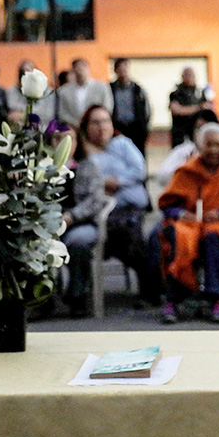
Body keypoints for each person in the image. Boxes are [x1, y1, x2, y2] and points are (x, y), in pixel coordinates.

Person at [158, 123, 219, 324]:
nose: (213, 150)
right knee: (179, 236)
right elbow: (167, 204)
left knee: (213, 237)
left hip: (218, 225)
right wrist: (181, 213)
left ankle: (215, 298)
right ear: (199, 146)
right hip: (189, 223)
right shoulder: (185, 171)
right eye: (209, 145)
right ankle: (174, 299)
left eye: (218, 145)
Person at [79, 105, 159, 305]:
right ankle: (153, 285)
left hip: (131, 206)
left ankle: (151, 289)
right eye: (95, 122)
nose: (101, 127)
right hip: (101, 209)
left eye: (105, 121)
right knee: (118, 235)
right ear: (86, 126)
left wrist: (117, 181)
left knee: (129, 233)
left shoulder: (122, 144)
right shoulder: (83, 152)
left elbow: (139, 170)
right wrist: (101, 184)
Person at [55, 125, 108, 318]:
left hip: (82, 223)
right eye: (57, 138)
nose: (62, 144)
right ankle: (43, 299)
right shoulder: (44, 168)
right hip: (50, 224)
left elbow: (95, 200)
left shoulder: (88, 166)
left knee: (77, 243)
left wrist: (71, 216)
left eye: (68, 139)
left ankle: (78, 296)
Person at [155, 109, 219, 187]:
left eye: (209, 127)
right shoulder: (184, 150)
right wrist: (188, 168)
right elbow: (162, 178)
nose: (205, 132)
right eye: (199, 128)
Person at [56, 58, 114, 127]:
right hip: (74, 127)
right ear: (73, 70)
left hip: (97, 126)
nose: (80, 71)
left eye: (82, 67)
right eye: (77, 68)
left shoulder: (102, 87)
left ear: (88, 68)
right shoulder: (63, 91)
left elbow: (108, 106)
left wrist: (96, 121)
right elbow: (62, 112)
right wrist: (76, 123)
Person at [110, 58, 151, 154]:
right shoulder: (110, 89)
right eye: (120, 68)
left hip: (135, 128)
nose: (123, 71)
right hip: (118, 128)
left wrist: (145, 127)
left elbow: (147, 110)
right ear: (115, 71)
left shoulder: (138, 90)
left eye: (125, 67)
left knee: (138, 154)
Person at [169, 67, 214, 147]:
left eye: (192, 75)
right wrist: (198, 108)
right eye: (188, 75)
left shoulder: (200, 92)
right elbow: (176, 109)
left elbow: (208, 107)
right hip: (181, 133)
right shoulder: (177, 93)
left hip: (196, 132)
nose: (190, 78)